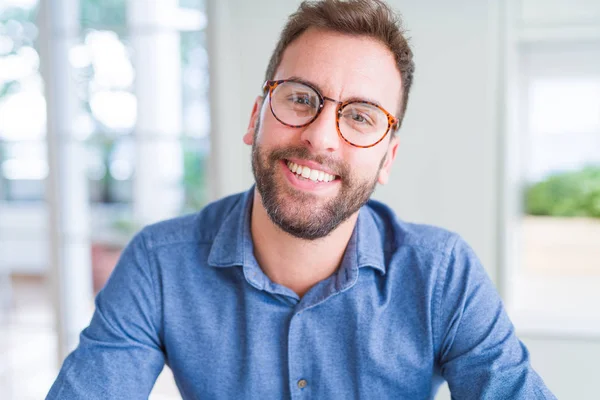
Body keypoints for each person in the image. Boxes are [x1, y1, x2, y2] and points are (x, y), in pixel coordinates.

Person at [47, 0, 556, 398]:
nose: (321, 138)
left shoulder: (443, 274)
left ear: (387, 160)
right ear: (255, 118)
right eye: (300, 98)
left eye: (360, 116)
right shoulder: (158, 264)